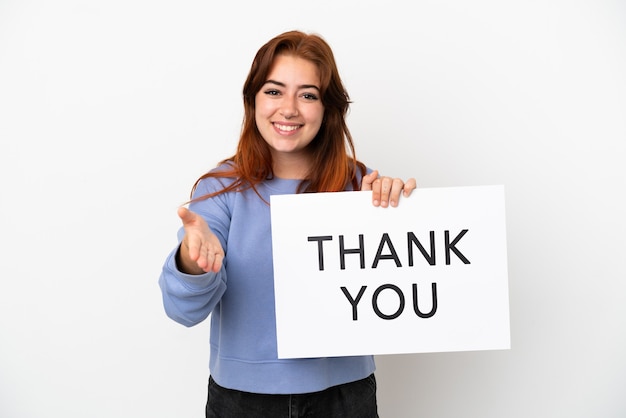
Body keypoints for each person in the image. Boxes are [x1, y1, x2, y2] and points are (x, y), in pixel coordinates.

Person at [159, 30, 416, 418]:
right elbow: (182, 311)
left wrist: (396, 208)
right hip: (243, 401)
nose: (290, 108)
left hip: (345, 396)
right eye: (274, 91)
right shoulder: (221, 189)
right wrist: (193, 261)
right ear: (253, 100)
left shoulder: (359, 185)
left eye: (308, 94)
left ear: (327, 108)